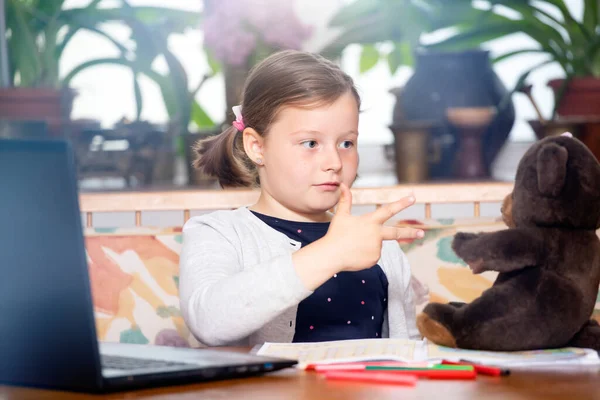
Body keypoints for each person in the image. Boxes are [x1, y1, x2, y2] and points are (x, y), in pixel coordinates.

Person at [179, 50, 424, 347]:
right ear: (257, 147)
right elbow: (209, 321)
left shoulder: (378, 246)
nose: (334, 161)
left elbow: (409, 348)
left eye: (347, 143)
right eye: (310, 143)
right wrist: (332, 253)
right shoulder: (218, 233)